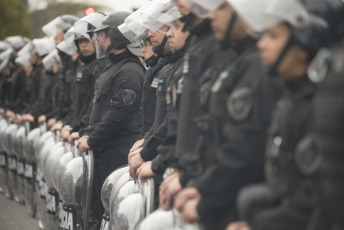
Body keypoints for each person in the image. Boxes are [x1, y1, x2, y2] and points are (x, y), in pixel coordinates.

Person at [171, 0, 283, 229]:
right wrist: (201, 187)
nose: (211, 15)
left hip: (234, 210)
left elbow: (244, 151)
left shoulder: (255, 67)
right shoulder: (237, 61)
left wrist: (206, 200)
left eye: (221, 7)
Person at [222, 0, 332, 230]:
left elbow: (314, 202)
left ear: (303, 47)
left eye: (273, 36)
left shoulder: (317, 109)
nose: (261, 44)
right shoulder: (290, 98)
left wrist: (258, 225)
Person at [76, 11, 145, 183]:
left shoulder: (130, 70)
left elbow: (117, 114)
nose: (99, 39)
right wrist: (87, 133)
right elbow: (97, 108)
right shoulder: (112, 67)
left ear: (118, 36)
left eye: (104, 34)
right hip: (106, 146)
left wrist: (92, 140)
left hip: (119, 150)